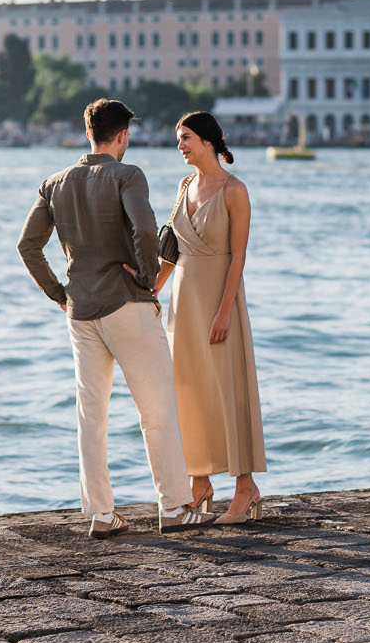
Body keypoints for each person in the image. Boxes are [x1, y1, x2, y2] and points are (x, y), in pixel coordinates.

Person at [18, 98, 216, 539]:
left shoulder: (54, 183)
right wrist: (147, 278)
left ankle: (102, 515)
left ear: (89, 132)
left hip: (81, 311)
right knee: (157, 408)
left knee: (92, 415)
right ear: (122, 135)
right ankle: (176, 506)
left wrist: (59, 295)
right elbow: (145, 229)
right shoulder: (128, 174)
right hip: (126, 303)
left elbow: (27, 247)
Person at [156, 110, 267, 524]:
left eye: (185, 138)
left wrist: (224, 311)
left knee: (229, 390)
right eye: (178, 139)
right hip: (182, 306)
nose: (180, 146)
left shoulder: (235, 191)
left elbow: (239, 255)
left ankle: (245, 488)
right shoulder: (184, 186)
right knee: (187, 392)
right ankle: (199, 483)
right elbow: (171, 249)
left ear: (207, 141)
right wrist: (152, 290)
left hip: (220, 302)